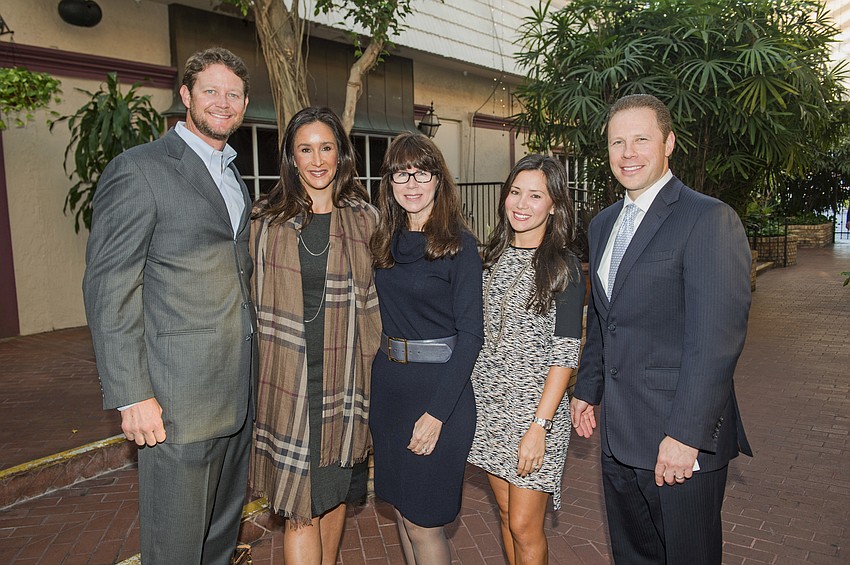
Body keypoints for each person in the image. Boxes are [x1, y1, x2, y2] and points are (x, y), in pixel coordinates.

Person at [83, 47, 255, 564]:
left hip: (236, 396)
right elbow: (109, 284)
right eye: (211, 91)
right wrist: (132, 393)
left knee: (219, 544)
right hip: (175, 403)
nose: (223, 103)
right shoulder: (139, 170)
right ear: (185, 95)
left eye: (234, 94)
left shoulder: (232, 175)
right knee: (175, 552)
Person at [570, 93, 752, 565]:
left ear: (669, 143)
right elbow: (604, 319)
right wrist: (586, 388)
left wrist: (686, 436)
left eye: (641, 140)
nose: (627, 153)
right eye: (617, 143)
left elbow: (714, 344)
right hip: (618, 439)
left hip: (678, 442)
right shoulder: (603, 224)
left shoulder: (708, 219)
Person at [249, 107, 381, 564]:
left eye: (326, 147)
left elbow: (381, 297)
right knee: (300, 508)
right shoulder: (265, 220)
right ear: (291, 157)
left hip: (346, 378)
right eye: (305, 149)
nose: (317, 159)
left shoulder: (365, 220)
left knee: (333, 496)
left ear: (342, 154)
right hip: (289, 379)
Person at [369, 132, 484, 564]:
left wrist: (437, 414)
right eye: (402, 173)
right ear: (390, 182)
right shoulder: (385, 240)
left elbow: (472, 335)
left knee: (424, 521)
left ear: (439, 180)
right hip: (390, 392)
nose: (412, 183)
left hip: (439, 395)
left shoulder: (459, 245)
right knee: (401, 510)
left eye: (422, 172)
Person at [468, 154, 586, 564]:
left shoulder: (563, 265)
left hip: (535, 411)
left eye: (535, 195)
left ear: (554, 204)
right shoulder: (490, 257)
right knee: (504, 514)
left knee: (523, 524)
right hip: (488, 407)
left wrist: (540, 425)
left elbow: (566, 351)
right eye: (515, 192)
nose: (521, 203)